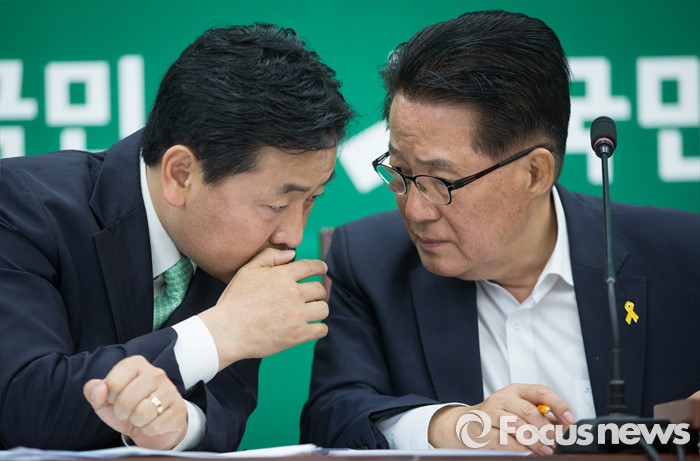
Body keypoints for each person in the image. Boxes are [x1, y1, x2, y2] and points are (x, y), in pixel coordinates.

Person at [300, 10, 700, 455]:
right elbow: (332, 418)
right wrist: (448, 426)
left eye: (441, 182)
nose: (415, 210)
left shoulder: (684, 256)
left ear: (534, 173)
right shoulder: (369, 261)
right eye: (400, 172)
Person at [0, 23, 352, 451]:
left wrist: (178, 428)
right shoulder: (18, 205)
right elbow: (23, 403)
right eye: (277, 205)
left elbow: (223, 416)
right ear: (181, 174)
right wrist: (220, 333)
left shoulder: (238, 249)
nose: (292, 236)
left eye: (312, 199)